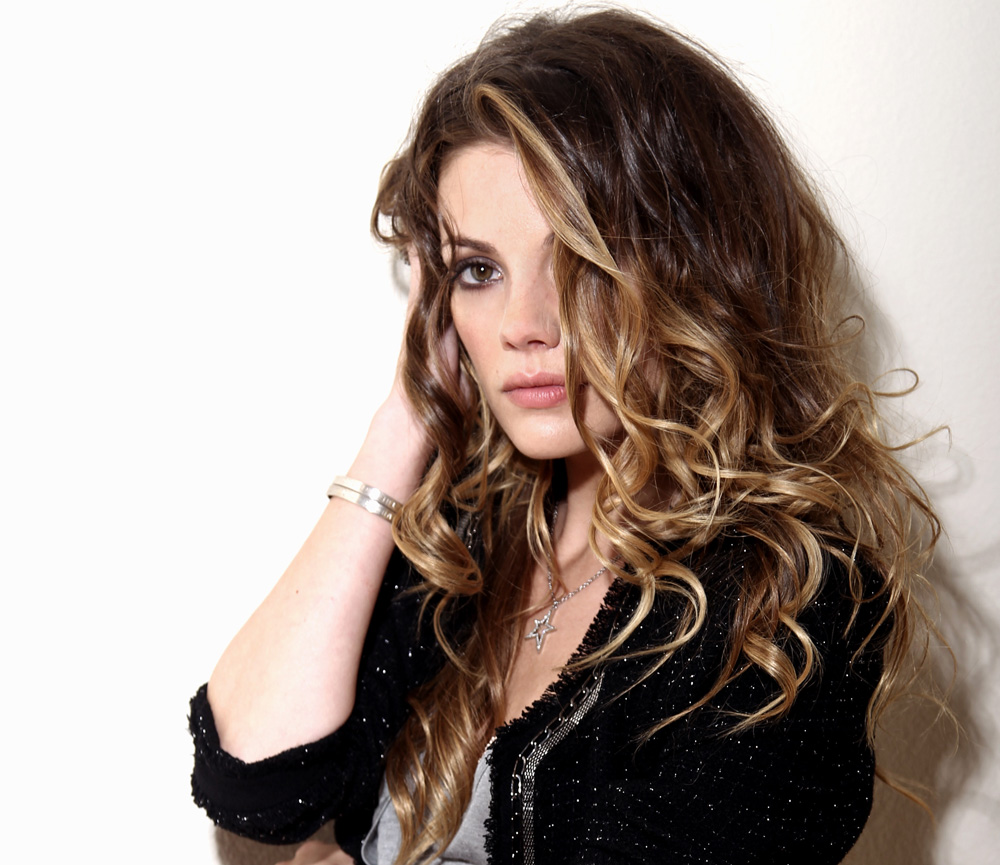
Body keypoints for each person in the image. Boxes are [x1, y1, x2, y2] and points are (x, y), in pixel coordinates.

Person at [189, 8, 940, 865]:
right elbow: (254, 779)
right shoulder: (463, 540)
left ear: (696, 271)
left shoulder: (790, 596)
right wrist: (402, 423)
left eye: (580, 261)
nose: (523, 324)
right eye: (478, 271)